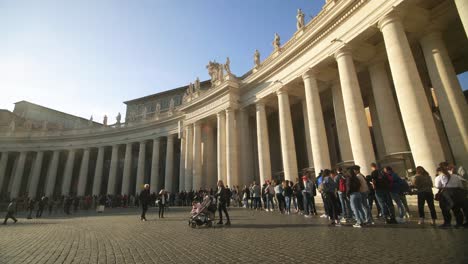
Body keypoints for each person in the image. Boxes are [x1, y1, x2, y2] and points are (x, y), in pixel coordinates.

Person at [435, 162, 464, 228]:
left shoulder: (439, 177)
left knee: (445, 209)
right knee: (457, 209)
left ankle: (447, 223)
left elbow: (437, 186)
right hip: (455, 193)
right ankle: (459, 223)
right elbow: (460, 185)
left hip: (445, 194)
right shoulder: (455, 176)